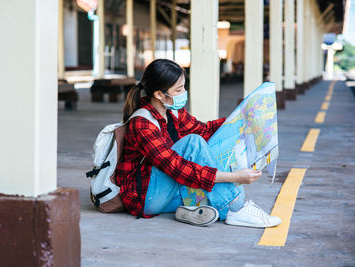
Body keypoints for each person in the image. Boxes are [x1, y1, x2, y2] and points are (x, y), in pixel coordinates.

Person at [115, 59, 281, 228]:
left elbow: (204, 130)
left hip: (168, 189)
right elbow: (176, 167)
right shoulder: (142, 124)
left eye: (184, 87)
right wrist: (234, 177)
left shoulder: (173, 111)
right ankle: (237, 208)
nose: (184, 92)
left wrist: (242, 118)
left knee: (213, 187)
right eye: (179, 89)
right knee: (193, 143)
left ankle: (190, 211)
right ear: (159, 94)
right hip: (146, 197)